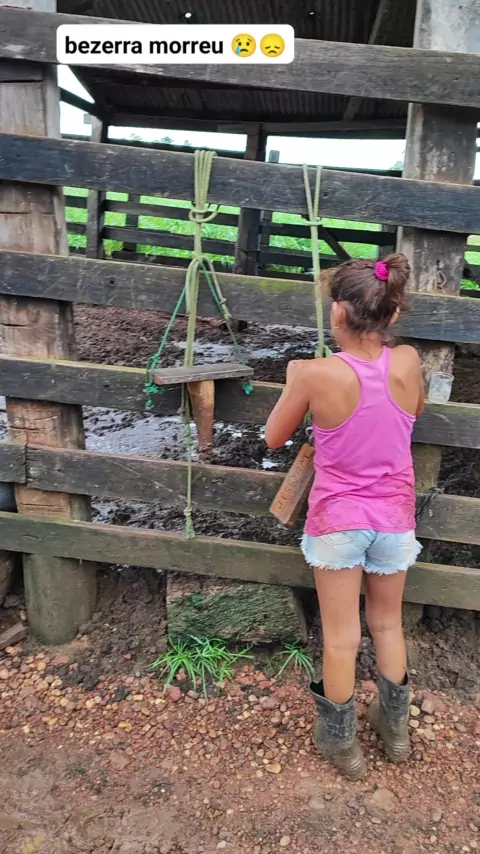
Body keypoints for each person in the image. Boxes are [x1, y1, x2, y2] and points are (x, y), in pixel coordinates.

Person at [265, 254, 424, 780]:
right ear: (393, 313)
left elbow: (273, 437)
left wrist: (296, 380)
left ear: (336, 312)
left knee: (340, 637)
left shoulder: (315, 374)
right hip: (394, 518)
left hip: (338, 521)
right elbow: (413, 412)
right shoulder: (408, 361)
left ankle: (342, 746)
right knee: (387, 623)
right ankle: (395, 733)